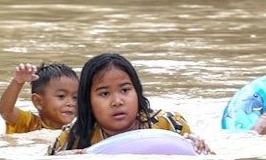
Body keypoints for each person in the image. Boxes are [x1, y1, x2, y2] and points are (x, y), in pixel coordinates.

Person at [48, 53, 210, 154]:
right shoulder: (73, 138)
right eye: (104, 94)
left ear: (137, 92)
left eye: (125, 90)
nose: (117, 102)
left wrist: (200, 148)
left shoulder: (169, 124)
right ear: (87, 102)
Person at [0, 62, 78, 134]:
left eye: (75, 97)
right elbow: (6, 111)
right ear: (38, 101)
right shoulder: (28, 124)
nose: (71, 103)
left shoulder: (79, 129)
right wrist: (18, 82)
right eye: (61, 96)